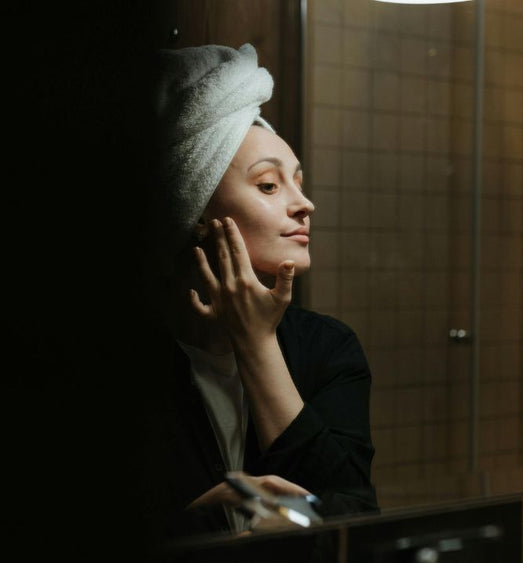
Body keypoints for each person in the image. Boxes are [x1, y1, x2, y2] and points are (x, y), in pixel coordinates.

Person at [131, 42, 379, 553]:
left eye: (299, 182)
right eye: (268, 186)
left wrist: (258, 343)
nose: (304, 203)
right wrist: (197, 519)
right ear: (195, 207)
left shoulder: (327, 349)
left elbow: (354, 519)